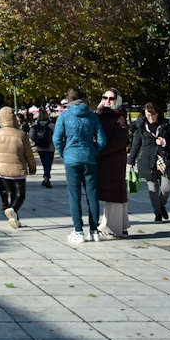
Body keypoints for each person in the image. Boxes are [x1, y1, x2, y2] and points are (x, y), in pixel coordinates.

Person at [54, 86, 107, 243]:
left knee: (74, 195)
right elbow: (102, 140)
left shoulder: (63, 117)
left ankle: (78, 231)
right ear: (83, 99)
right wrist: (92, 151)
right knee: (92, 194)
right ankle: (94, 230)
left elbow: (57, 139)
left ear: (68, 101)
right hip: (89, 157)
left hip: (71, 158)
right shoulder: (92, 117)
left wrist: (64, 153)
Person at [127, 102, 170, 222]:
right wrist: (131, 161)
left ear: (157, 114)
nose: (151, 118)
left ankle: (161, 205)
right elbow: (135, 146)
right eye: (148, 115)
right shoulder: (141, 128)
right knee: (153, 188)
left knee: (167, 187)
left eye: (153, 115)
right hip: (147, 160)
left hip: (163, 160)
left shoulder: (165, 125)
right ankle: (157, 213)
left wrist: (164, 142)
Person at [0, 106, 37, 227]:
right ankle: (14, 210)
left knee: (9, 193)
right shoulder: (21, 135)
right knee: (20, 194)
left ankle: (14, 218)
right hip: (18, 168)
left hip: (2, 168)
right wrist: (32, 166)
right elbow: (29, 154)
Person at [95, 88, 130, 239]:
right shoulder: (104, 115)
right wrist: (98, 112)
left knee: (115, 194)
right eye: (105, 97)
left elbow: (120, 141)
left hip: (114, 160)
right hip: (106, 160)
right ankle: (119, 226)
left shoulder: (119, 117)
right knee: (113, 193)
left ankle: (111, 226)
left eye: (111, 98)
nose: (108, 101)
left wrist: (99, 151)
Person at [29, 110, 56, 188]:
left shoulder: (35, 125)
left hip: (40, 147)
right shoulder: (51, 125)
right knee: (48, 163)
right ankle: (46, 178)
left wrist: (37, 141)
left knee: (44, 163)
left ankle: (46, 177)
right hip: (50, 147)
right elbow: (57, 133)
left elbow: (31, 135)